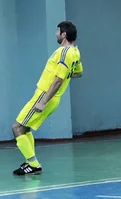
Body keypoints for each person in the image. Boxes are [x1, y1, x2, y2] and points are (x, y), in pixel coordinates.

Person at [12, 21, 83, 176]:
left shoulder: (65, 52)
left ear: (64, 34)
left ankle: (33, 164)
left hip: (45, 96)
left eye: (58, 31)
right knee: (25, 128)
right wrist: (66, 75)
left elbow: (58, 80)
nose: (56, 34)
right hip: (50, 97)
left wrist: (43, 102)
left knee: (17, 127)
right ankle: (29, 162)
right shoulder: (75, 52)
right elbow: (78, 72)